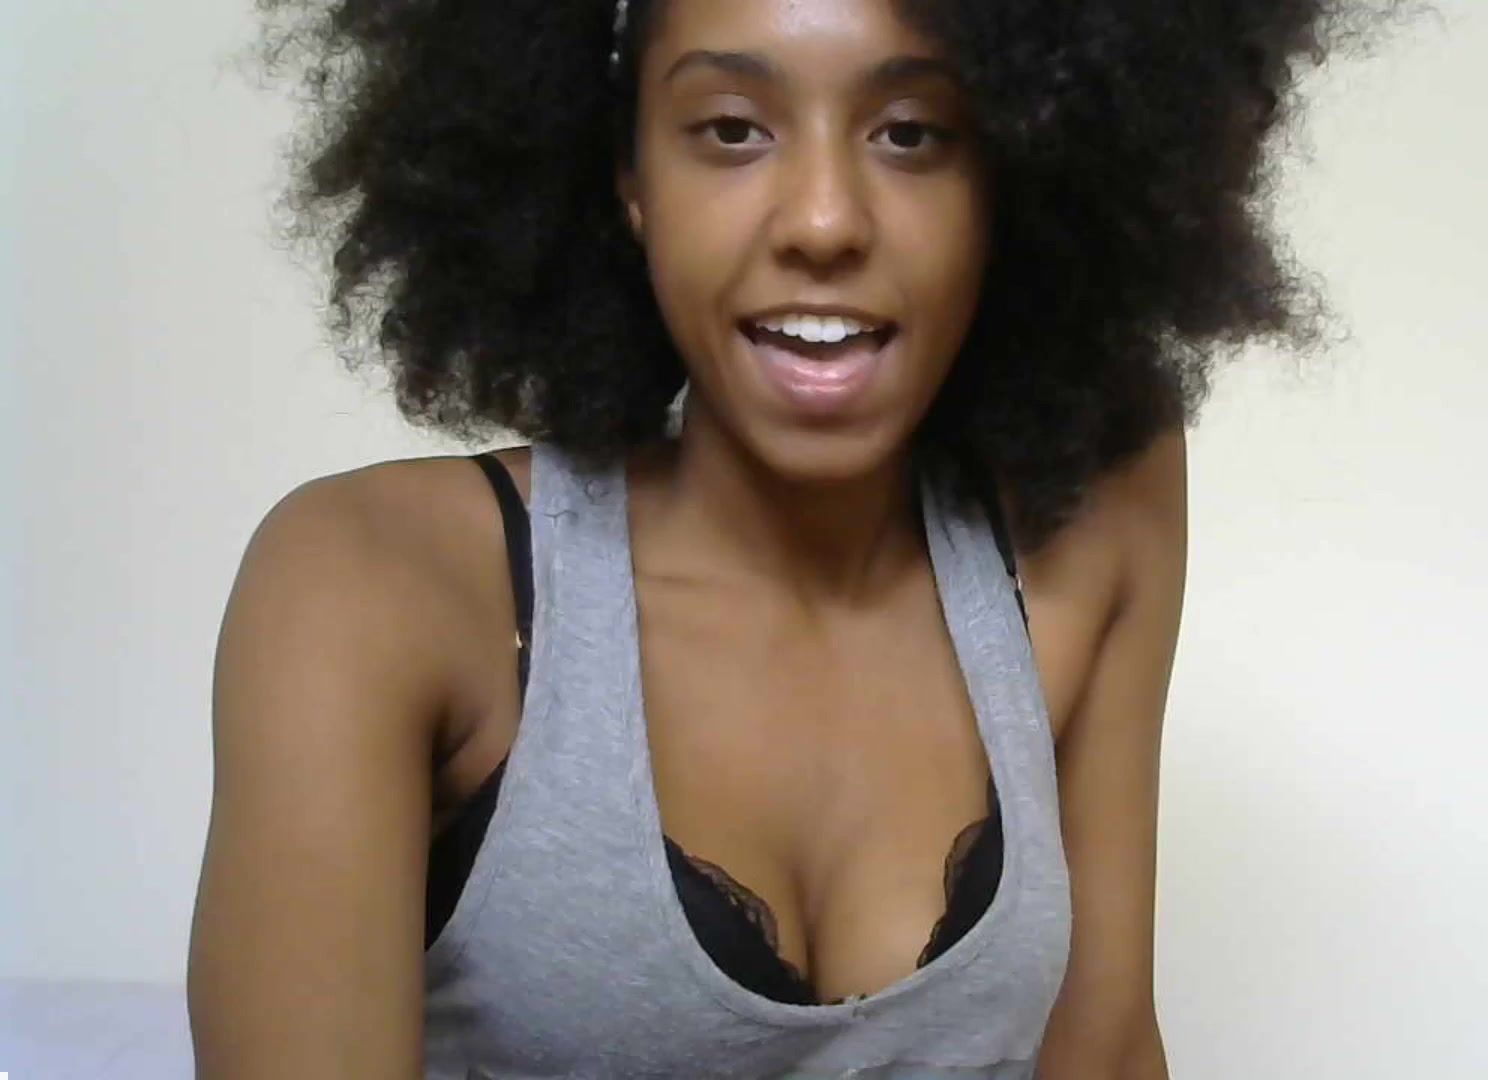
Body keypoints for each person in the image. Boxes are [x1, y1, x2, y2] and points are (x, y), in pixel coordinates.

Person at [188, 0, 1380, 1074]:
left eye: (911, 133)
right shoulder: (375, 583)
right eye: (730, 129)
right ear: (631, 177)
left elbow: (1106, 1049)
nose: (823, 220)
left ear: (1011, 169)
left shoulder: (1089, 514)